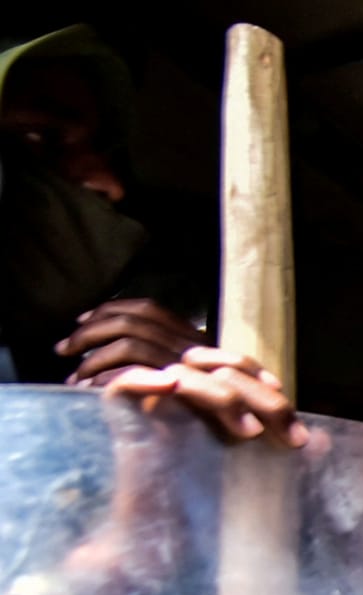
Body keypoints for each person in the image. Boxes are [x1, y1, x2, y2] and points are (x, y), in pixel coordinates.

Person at [1, 24, 300, 444]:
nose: (110, 187)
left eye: (102, 152)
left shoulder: (75, 363)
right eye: (41, 138)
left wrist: (142, 445)